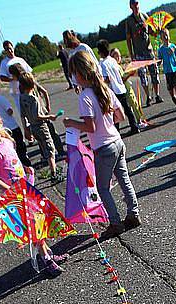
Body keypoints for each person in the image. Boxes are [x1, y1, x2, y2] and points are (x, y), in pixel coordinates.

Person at [0, 101, 65, 275]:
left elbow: (13, 161)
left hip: (26, 188)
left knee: (38, 221)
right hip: (15, 195)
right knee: (32, 226)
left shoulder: (7, 139)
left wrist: (25, 168)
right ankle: (46, 259)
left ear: (0, 120)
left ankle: (49, 253)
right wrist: (11, 191)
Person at [64, 51, 141, 240]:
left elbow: (89, 126)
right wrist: (107, 124)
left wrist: (72, 123)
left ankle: (115, 223)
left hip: (103, 148)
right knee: (124, 179)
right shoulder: (105, 89)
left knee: (103, 188)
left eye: (74, 73)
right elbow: (120, 116)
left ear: (80, 74)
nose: (73, 78)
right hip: (117, 141)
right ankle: (134, 213)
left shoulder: (85, 97)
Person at [18, 72, 64, 183]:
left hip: (33, 128)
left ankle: (52, 170)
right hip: (41, 126)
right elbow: (37, 116)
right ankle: (54, 174)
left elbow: (23, 115)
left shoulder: (22, 98)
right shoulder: (34, 99)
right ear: (32, 84)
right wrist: (50, 117)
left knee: (44, 148)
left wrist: (26, 129)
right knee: (50, 149)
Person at [0, 77, 32, 169]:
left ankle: (15, 165)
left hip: (2, 129)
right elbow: (9, 111)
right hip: (12, 126)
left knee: (10, 148)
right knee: (20, 145)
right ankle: (26, 164)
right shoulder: (0, 98)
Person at [97, 39, 140, 134]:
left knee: (114, 112)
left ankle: (116, 131)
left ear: (100, 52)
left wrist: (100, 83)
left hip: (113, 90)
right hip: (121, 87)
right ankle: (134, 126)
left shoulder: (103, 64)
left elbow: (107, 78)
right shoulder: (112, 60)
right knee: (128, 109)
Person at [126, 0, 162, 107]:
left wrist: (157, 31)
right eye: (133, 4)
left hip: (149, 50)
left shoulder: (145, 16)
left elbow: (152, 32)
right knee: (143, 76)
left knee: (154, 72)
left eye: (137, 3)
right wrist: (131, 54)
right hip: (138, 53)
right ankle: (148, 97)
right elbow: (128, 39)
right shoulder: (129, 21)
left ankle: (157, 95)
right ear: (130, 6)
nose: (136, 5)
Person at [0, 40, 32, 113]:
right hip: (16, 91)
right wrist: (12, 79)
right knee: (22, 111)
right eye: (7, 49)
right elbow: (2, 77)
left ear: (13, 48)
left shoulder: (20, 60)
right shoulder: (4, 63)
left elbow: (29, 72)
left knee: (32, 107)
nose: (10, 51)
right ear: (5, 51)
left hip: (27, 87)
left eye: (10, 48)